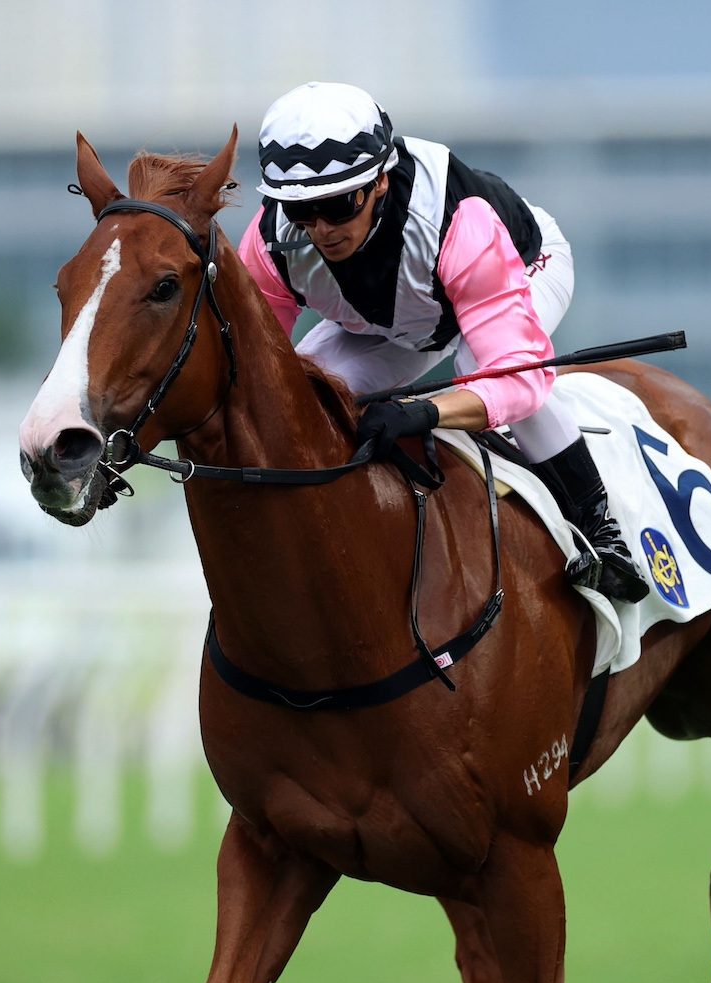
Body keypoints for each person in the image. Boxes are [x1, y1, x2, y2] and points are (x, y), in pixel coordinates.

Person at [240, 81, 650, 604]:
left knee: (482, 366)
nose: (321, 229)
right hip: (402, 317)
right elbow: (255, 372)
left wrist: (423, 414)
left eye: (341, 204)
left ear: (380, 183)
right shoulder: (272, 238)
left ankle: (602, 536)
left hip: (519, 267)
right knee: (297, 396)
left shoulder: (458, 220)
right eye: (302, 210)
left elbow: (517, 379)